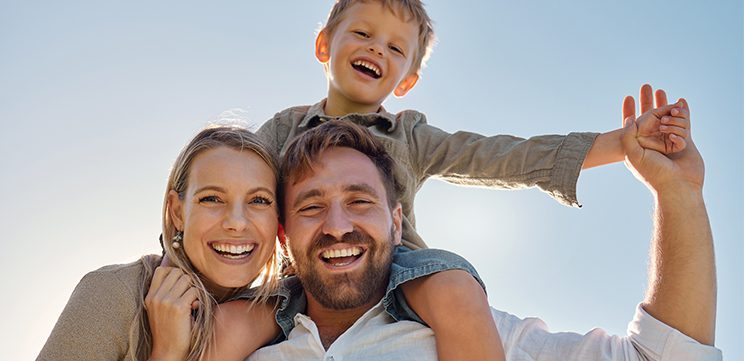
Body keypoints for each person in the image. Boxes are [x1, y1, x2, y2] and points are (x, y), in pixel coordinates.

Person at [253, 0, 690, 358]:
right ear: (324, 45)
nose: (376, 50)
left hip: (398, 269)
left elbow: (499, 156)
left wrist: (618, 143)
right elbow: (225, 177)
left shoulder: (411, 135)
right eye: (363, 34)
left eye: (395, 48)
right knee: (229, 322)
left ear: (407, 81)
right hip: (300, 273)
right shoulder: (281, 129)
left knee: (456, 290)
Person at [37, 126, 284, 361]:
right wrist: (167, 353)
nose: (237, 222)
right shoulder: (112, 294)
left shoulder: (285, 316)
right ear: (177, 211)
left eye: (259, 201)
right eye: (211, 199)